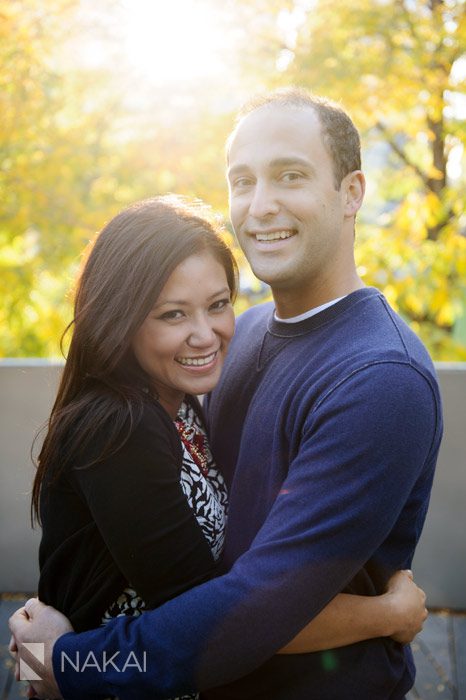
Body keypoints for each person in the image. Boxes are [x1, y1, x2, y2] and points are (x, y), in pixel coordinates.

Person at [10, 88, 441, 700]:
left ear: (352, 193)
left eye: (290, 175)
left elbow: (257, 604)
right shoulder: (242, 335)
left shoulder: (380, 379)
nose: (261, 206)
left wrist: (66, 664)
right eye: (243, 181)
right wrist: (43, 659)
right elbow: (187, 568)